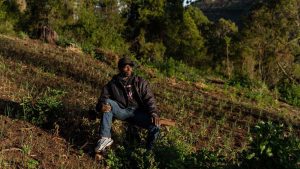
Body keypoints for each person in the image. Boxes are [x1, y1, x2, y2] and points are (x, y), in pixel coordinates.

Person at [95, 57, 160, 153]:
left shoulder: (140, 82)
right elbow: (103, 98)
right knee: (107, 103)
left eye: (130, 66)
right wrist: (100, 106)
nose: (129, 69)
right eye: (126, 67)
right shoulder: (113, 83)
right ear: (120, 68)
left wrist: (153, 113)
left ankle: (149, 152)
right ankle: (105, 138)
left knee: (156, 125)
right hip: (122, 111)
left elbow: (149, 99)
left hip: (138, 113)